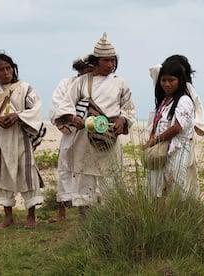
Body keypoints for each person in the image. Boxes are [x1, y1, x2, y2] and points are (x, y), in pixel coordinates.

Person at [53, 32, 136, 211]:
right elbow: (65, 106)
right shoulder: (81, 82)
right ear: (96, 61)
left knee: (111, 180)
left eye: (113, 60)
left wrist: (122, 120)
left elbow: (129, 108)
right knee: (84, 181)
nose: (111, 65)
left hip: (109, 137)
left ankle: (110, 223)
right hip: (85, 139)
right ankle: (85, 225)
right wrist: (74, 119)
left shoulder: (120, 83)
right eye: (106, 61)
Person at [0, 52, 45, 228]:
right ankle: (8, 216)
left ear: (13, 69)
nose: (6, 72)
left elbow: (35, 109)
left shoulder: (25, 88)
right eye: (1, 69)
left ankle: (31, 217)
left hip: (21, 138)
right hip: (0, 139)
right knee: (2, 175)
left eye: (8, 68)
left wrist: (18, 116)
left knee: (28, 174)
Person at [149, 54, 204, 196]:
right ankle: (160, 218)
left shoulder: (184, 100)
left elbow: (177, 127)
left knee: (176, 189)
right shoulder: (165, 100)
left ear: (180, 80)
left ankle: (178, 217)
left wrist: (155, 140)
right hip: (162, 149)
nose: (167, 84)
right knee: (157, 189)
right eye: (164, 80)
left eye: (171, 80)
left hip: (177, 150)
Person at [48, 54, 94, 223]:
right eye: (86, 70)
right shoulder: (66, 84)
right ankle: (61, 212)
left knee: (86, 173)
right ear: (80, 69)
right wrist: (73, 119)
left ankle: (85, 212)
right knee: (65, 171)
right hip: (71, 134)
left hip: (91, 136)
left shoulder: (98, 86)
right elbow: (56, 108)